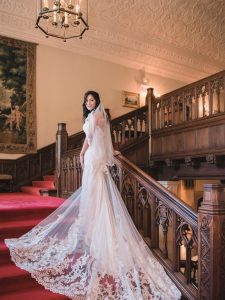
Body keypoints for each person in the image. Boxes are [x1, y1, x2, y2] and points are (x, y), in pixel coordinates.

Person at [5, 91, 181, 299]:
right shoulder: (89, 117)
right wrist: (81, 153)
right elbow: (89, 138)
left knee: (98, 194)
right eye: (87, 100)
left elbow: (104, 137)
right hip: (89, 157)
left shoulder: (98, 116)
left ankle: (99, 233)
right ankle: (90, 231)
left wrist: (109, 153)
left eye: (92, 100)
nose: (89, 103)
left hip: (96, 159)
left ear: (97, 101)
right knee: (90, 193)